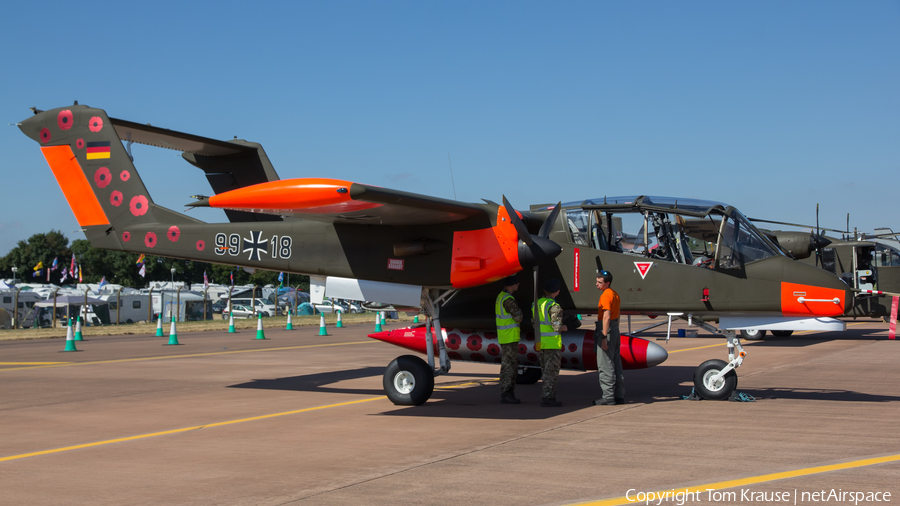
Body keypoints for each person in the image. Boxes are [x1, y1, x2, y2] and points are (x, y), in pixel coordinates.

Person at [534, 278, 567, 407]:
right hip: (552, 344)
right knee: (551, 373)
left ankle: (548, 396)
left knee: (545, 370)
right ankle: (548, 397)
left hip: (541, 343)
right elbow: (557, 326)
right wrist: (564, 327)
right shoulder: (554, 306)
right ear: (557, 291)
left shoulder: (537, 303)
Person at [594, 270, 624, 405]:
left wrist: (604, 336)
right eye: (597, 281)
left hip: (607, 329)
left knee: (605, 364)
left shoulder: (605, 296)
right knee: (616, 363)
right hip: (615, 328)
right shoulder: (615, 294)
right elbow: (617, 316)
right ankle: (619, 395)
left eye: (600, 282)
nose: (597, 284)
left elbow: (606, 316)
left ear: (607, 283)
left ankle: (608, 396)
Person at [496, 275, 524, 404]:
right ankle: (506, 393)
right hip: (509, 337)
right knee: (509, 366)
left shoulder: (501, 297)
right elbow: (518, 317)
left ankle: (507, 393)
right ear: (511, 285)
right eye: (516, 283)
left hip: (505, 336)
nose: (518, 285)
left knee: (509, 365)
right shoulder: (508, 299)